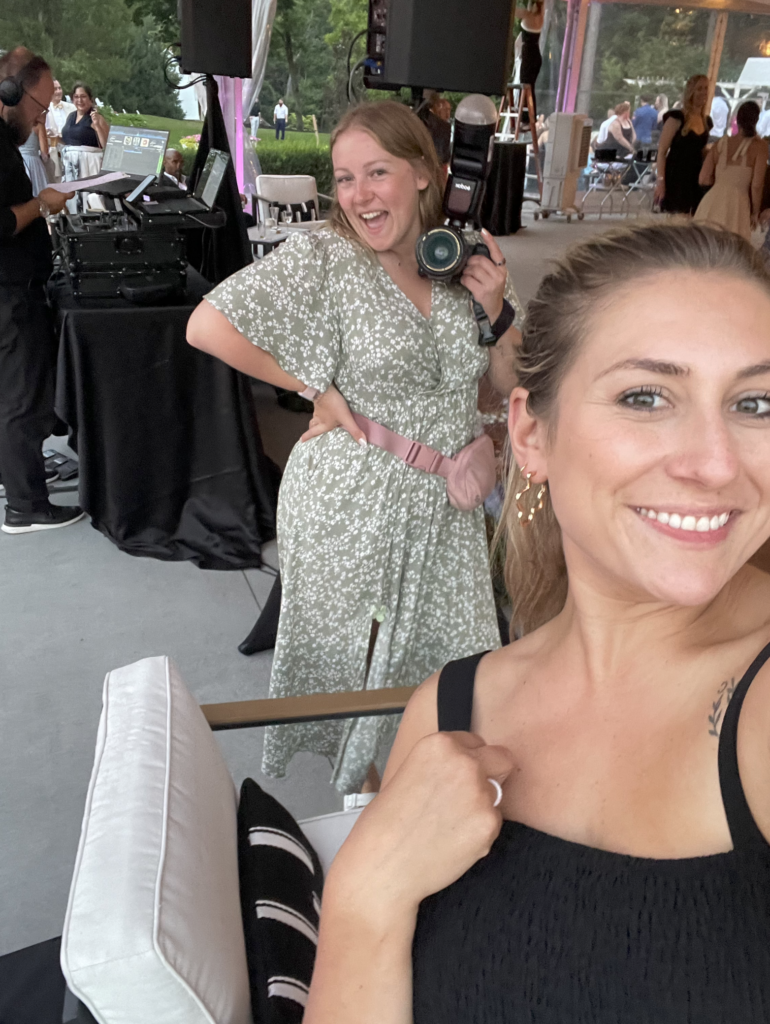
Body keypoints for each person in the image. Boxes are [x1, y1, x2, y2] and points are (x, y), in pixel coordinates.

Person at [304, 220, 770, 1022]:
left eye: (756, 402)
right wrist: (363, 898)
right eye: (646, 396)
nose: (716, 462)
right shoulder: (452, 709)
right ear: (530, 433)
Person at [187, 101, 522, 794]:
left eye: (377, 172)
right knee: (362, 673)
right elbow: (207, 324)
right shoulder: (324, 257)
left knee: (451, 668)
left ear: (425, 175)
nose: (359, 195)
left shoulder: (456, 261)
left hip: (448, 508)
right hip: (350, 502)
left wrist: (498, 312)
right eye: (344, 178)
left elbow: (503, 391)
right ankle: (368, 804)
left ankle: (429, 791)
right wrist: (315, 387)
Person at [0, 47, 83, 534]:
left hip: (16, 287)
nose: (42, 115)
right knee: (21, 399)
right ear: (12, 92)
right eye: (40, 102)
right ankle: (26, 506)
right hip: (10, 294)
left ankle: (18, 475)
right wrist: (42, 205)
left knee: (16, 395)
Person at [696, 101, 769, 241]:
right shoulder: (760, 147)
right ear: (756, 119)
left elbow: (703, 178)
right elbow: (757, 185)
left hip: (712, 201)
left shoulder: (720, 143)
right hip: (738, 204)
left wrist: (721, 181)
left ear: (737, 118)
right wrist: (755, 212)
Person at [655, 74, 712, 214]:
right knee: (678, 219)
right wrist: (661, 181)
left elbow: (701, 150)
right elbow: (662, 151)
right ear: (691, 91)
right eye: (699, 89)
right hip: (677, 175)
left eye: (706, 88)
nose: (703, 92)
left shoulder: (707, 121)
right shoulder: (676, 118)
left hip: (696, 175)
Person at [60, 81, 108, 204]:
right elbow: (69, 140)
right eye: (76, 97)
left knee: (88, 200)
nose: (79, 100)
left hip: (89, 166)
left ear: (90, 99)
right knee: (72, 200)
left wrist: (97, 126)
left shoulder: (97, 118)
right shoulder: (71, 116)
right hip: (70, 166)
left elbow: (106, 145)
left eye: (83, 96)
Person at [513, 0, 544, 125]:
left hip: (529, 56)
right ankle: (528, 117)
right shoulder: (540, 17)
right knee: (529, 87)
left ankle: (525, 117)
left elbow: (512, 10)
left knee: (525, 86)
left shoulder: (528, 15)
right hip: (535, 54)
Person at [45, 79, 74, 182]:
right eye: (55, 89)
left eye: (59, 88)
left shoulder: (72, 108)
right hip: (54, 153)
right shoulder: (44, 109)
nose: (58, 91)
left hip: (72, 151)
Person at [19, 121, 49, 196]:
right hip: (34, 163)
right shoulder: (38, 125)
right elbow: (44, 153)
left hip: (18, 161)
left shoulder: (13, 123)